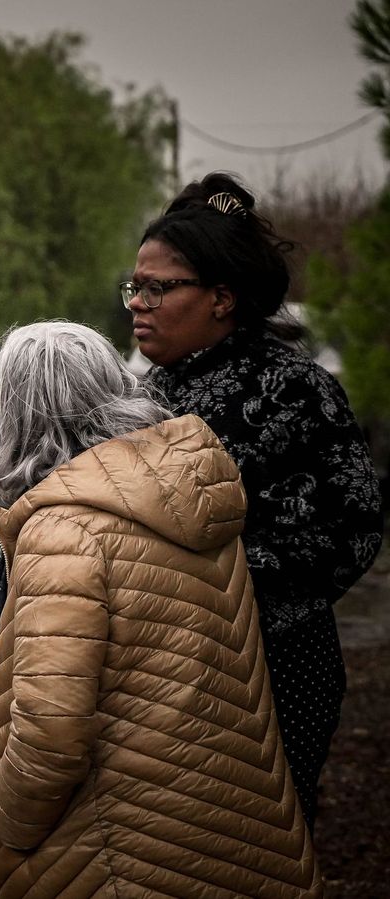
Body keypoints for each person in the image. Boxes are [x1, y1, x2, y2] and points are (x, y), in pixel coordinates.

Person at [0, 321, 321, 898]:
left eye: (0, 402)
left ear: (24, 416)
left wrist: (7, 824)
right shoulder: (185, 494)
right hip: (239, 819)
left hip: (116, 847)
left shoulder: (65, 532)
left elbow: (51, 734)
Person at [128, 172, 383, 827]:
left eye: (159, 287)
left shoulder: (297, 389)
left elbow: (354, 529)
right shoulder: (145, 396)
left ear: (222, 297)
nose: (138, 301)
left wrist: (231, 576)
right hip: (163, 672)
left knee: (261, 848)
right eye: (135, 284)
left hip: (274, 672)